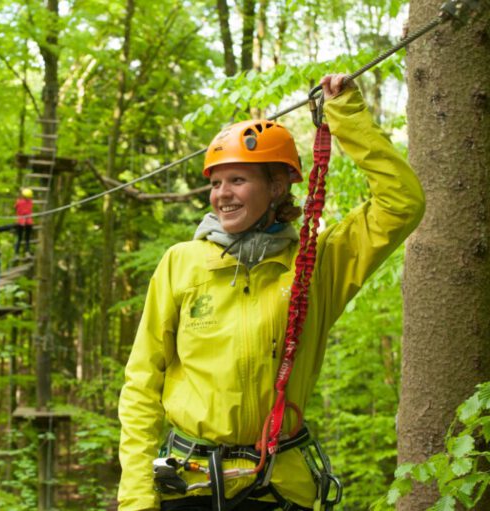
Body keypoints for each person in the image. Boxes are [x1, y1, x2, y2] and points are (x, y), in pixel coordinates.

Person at [117, 74, 425, 511]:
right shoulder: (181, 263)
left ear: (276, 187)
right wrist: (135, 497)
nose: (222, 194)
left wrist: (347, 117)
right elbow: (142, 383)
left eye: (238, 180)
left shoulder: (316, 265)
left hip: (279, 484)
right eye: (216, 183)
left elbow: (401, 204)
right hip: (191, 484)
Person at [15, 187, 34, 256]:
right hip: (29, 222)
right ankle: (27, 252)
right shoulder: (30, 202)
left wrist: (21, 193)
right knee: (27, 239)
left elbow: (16, 207)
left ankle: (16, 254)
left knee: (19, 238)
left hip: (21, 222)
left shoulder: (19, 202)